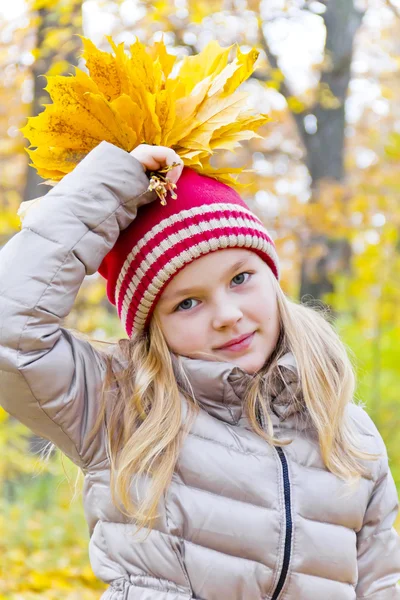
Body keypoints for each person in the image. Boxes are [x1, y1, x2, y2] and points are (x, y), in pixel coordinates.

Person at [0, 140, 399, 600]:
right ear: (152, 327)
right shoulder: (121, 408)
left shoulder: (350, 433)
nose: (227, 314)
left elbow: (379, 582)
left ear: (274, 278)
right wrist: (112, 184)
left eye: (240, 278)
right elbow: (13, 333)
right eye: (187, 302)